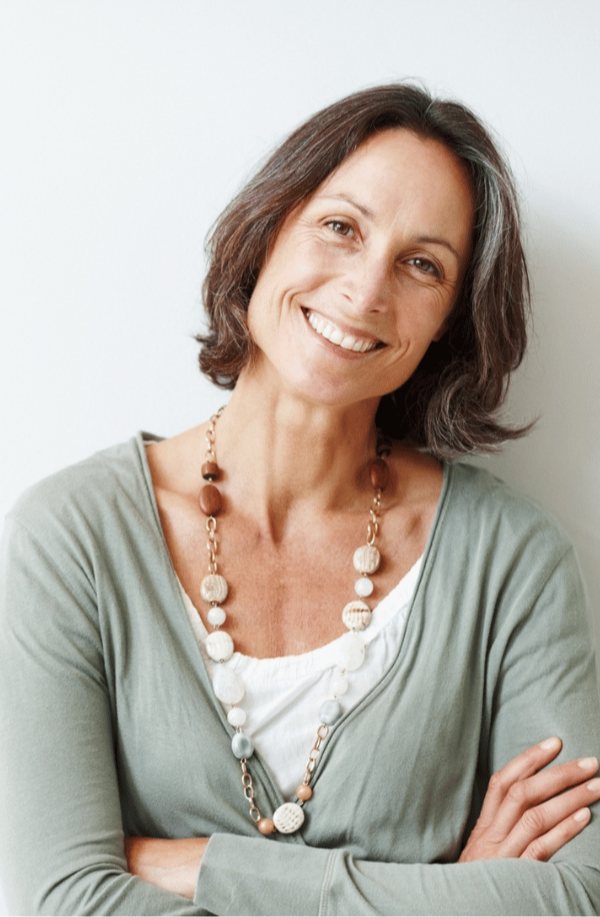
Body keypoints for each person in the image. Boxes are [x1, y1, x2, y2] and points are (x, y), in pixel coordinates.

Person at [1, 83, 599, 916]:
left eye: (423, 264)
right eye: (341, 227)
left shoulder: (514, 561)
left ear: (449, 321)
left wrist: (205, 865)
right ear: (267, 229)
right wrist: (448, 893)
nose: (366, 289)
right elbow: (61, 899)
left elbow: (573, 893)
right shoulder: (71, 538)